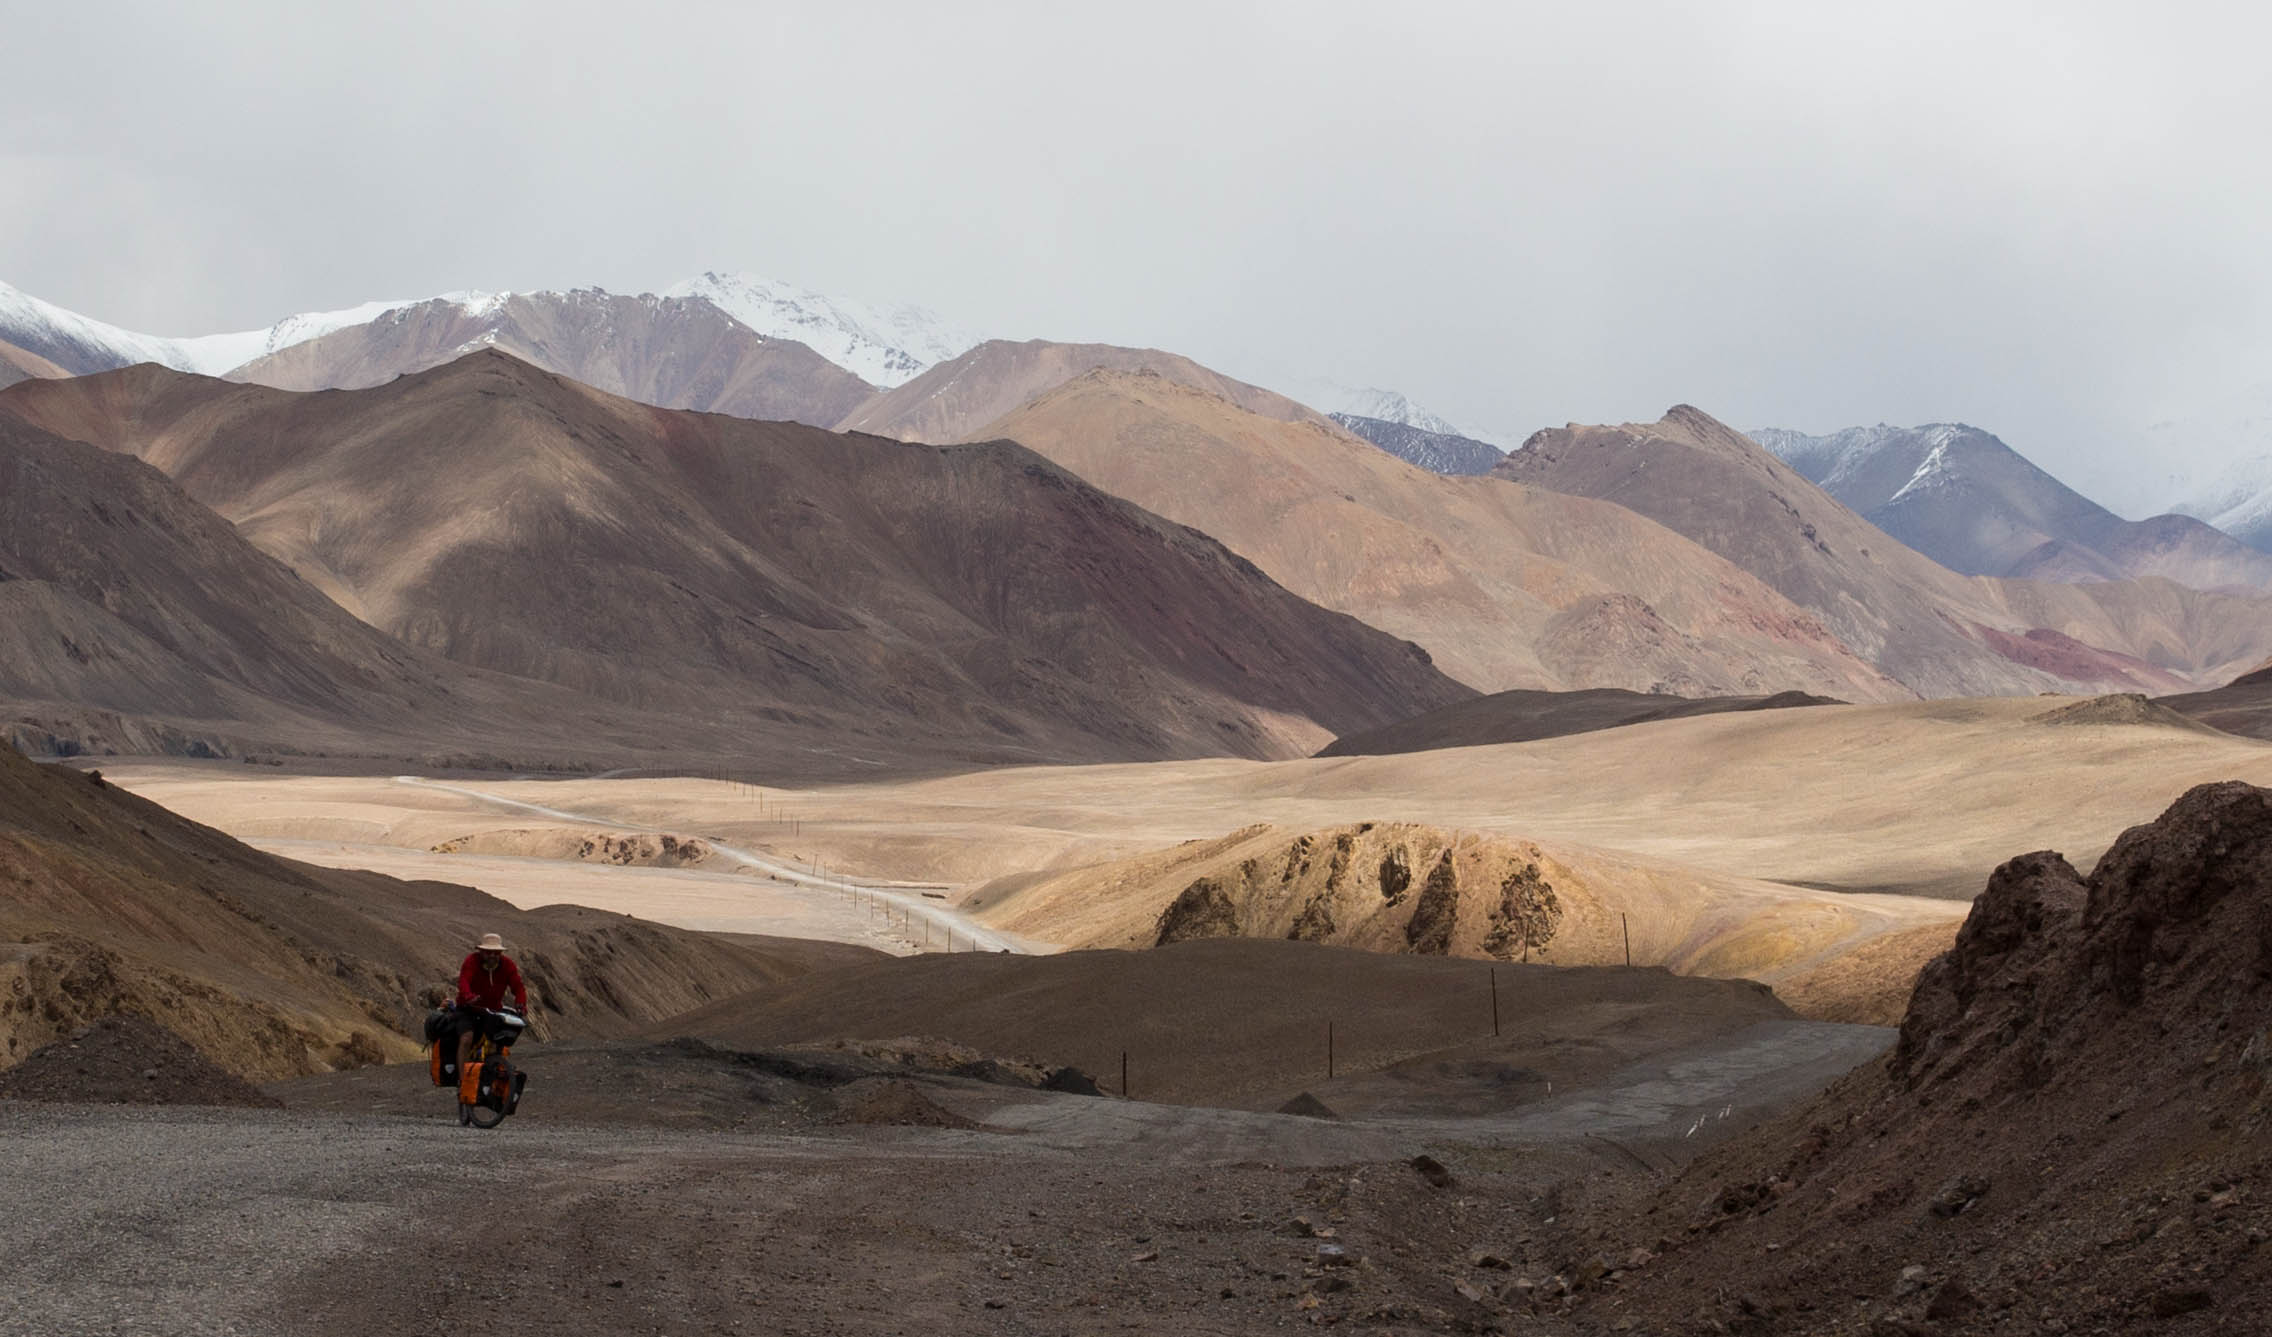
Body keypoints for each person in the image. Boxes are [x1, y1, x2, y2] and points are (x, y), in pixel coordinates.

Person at [452, 933, 528, 1076]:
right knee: (466, 1038)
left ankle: (494, 1072)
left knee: (498, 1041)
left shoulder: (508, 965)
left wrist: (521, 1003)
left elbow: (518, 987)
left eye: (496, 952)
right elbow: (464, 981)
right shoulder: (471, 961)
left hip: (492, 1010)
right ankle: (463, 1080)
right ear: (481, 951)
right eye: (488, 952)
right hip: (468, 1009)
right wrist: (468, 996)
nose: (492, 955)